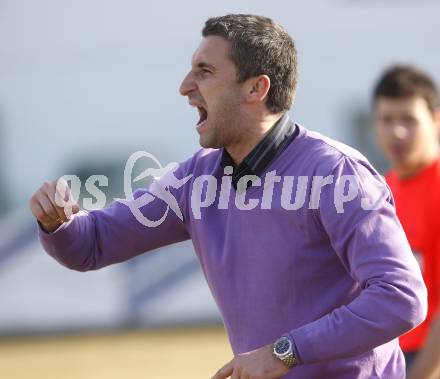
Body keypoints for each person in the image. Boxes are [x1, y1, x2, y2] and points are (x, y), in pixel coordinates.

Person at [29, 14, 427, 379]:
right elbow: (92, 243)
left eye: (204, 72)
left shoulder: (337, 173)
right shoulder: (194, 179)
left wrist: (284, 352)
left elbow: (400, 297)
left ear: (256, 88)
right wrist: (58, 222)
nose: (185, 87)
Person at [373, 65, 440, 379]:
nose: (397, 131)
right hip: (388, 358)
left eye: (409, 120)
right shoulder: (377, 194)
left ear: (436, 120)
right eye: (387, 120)